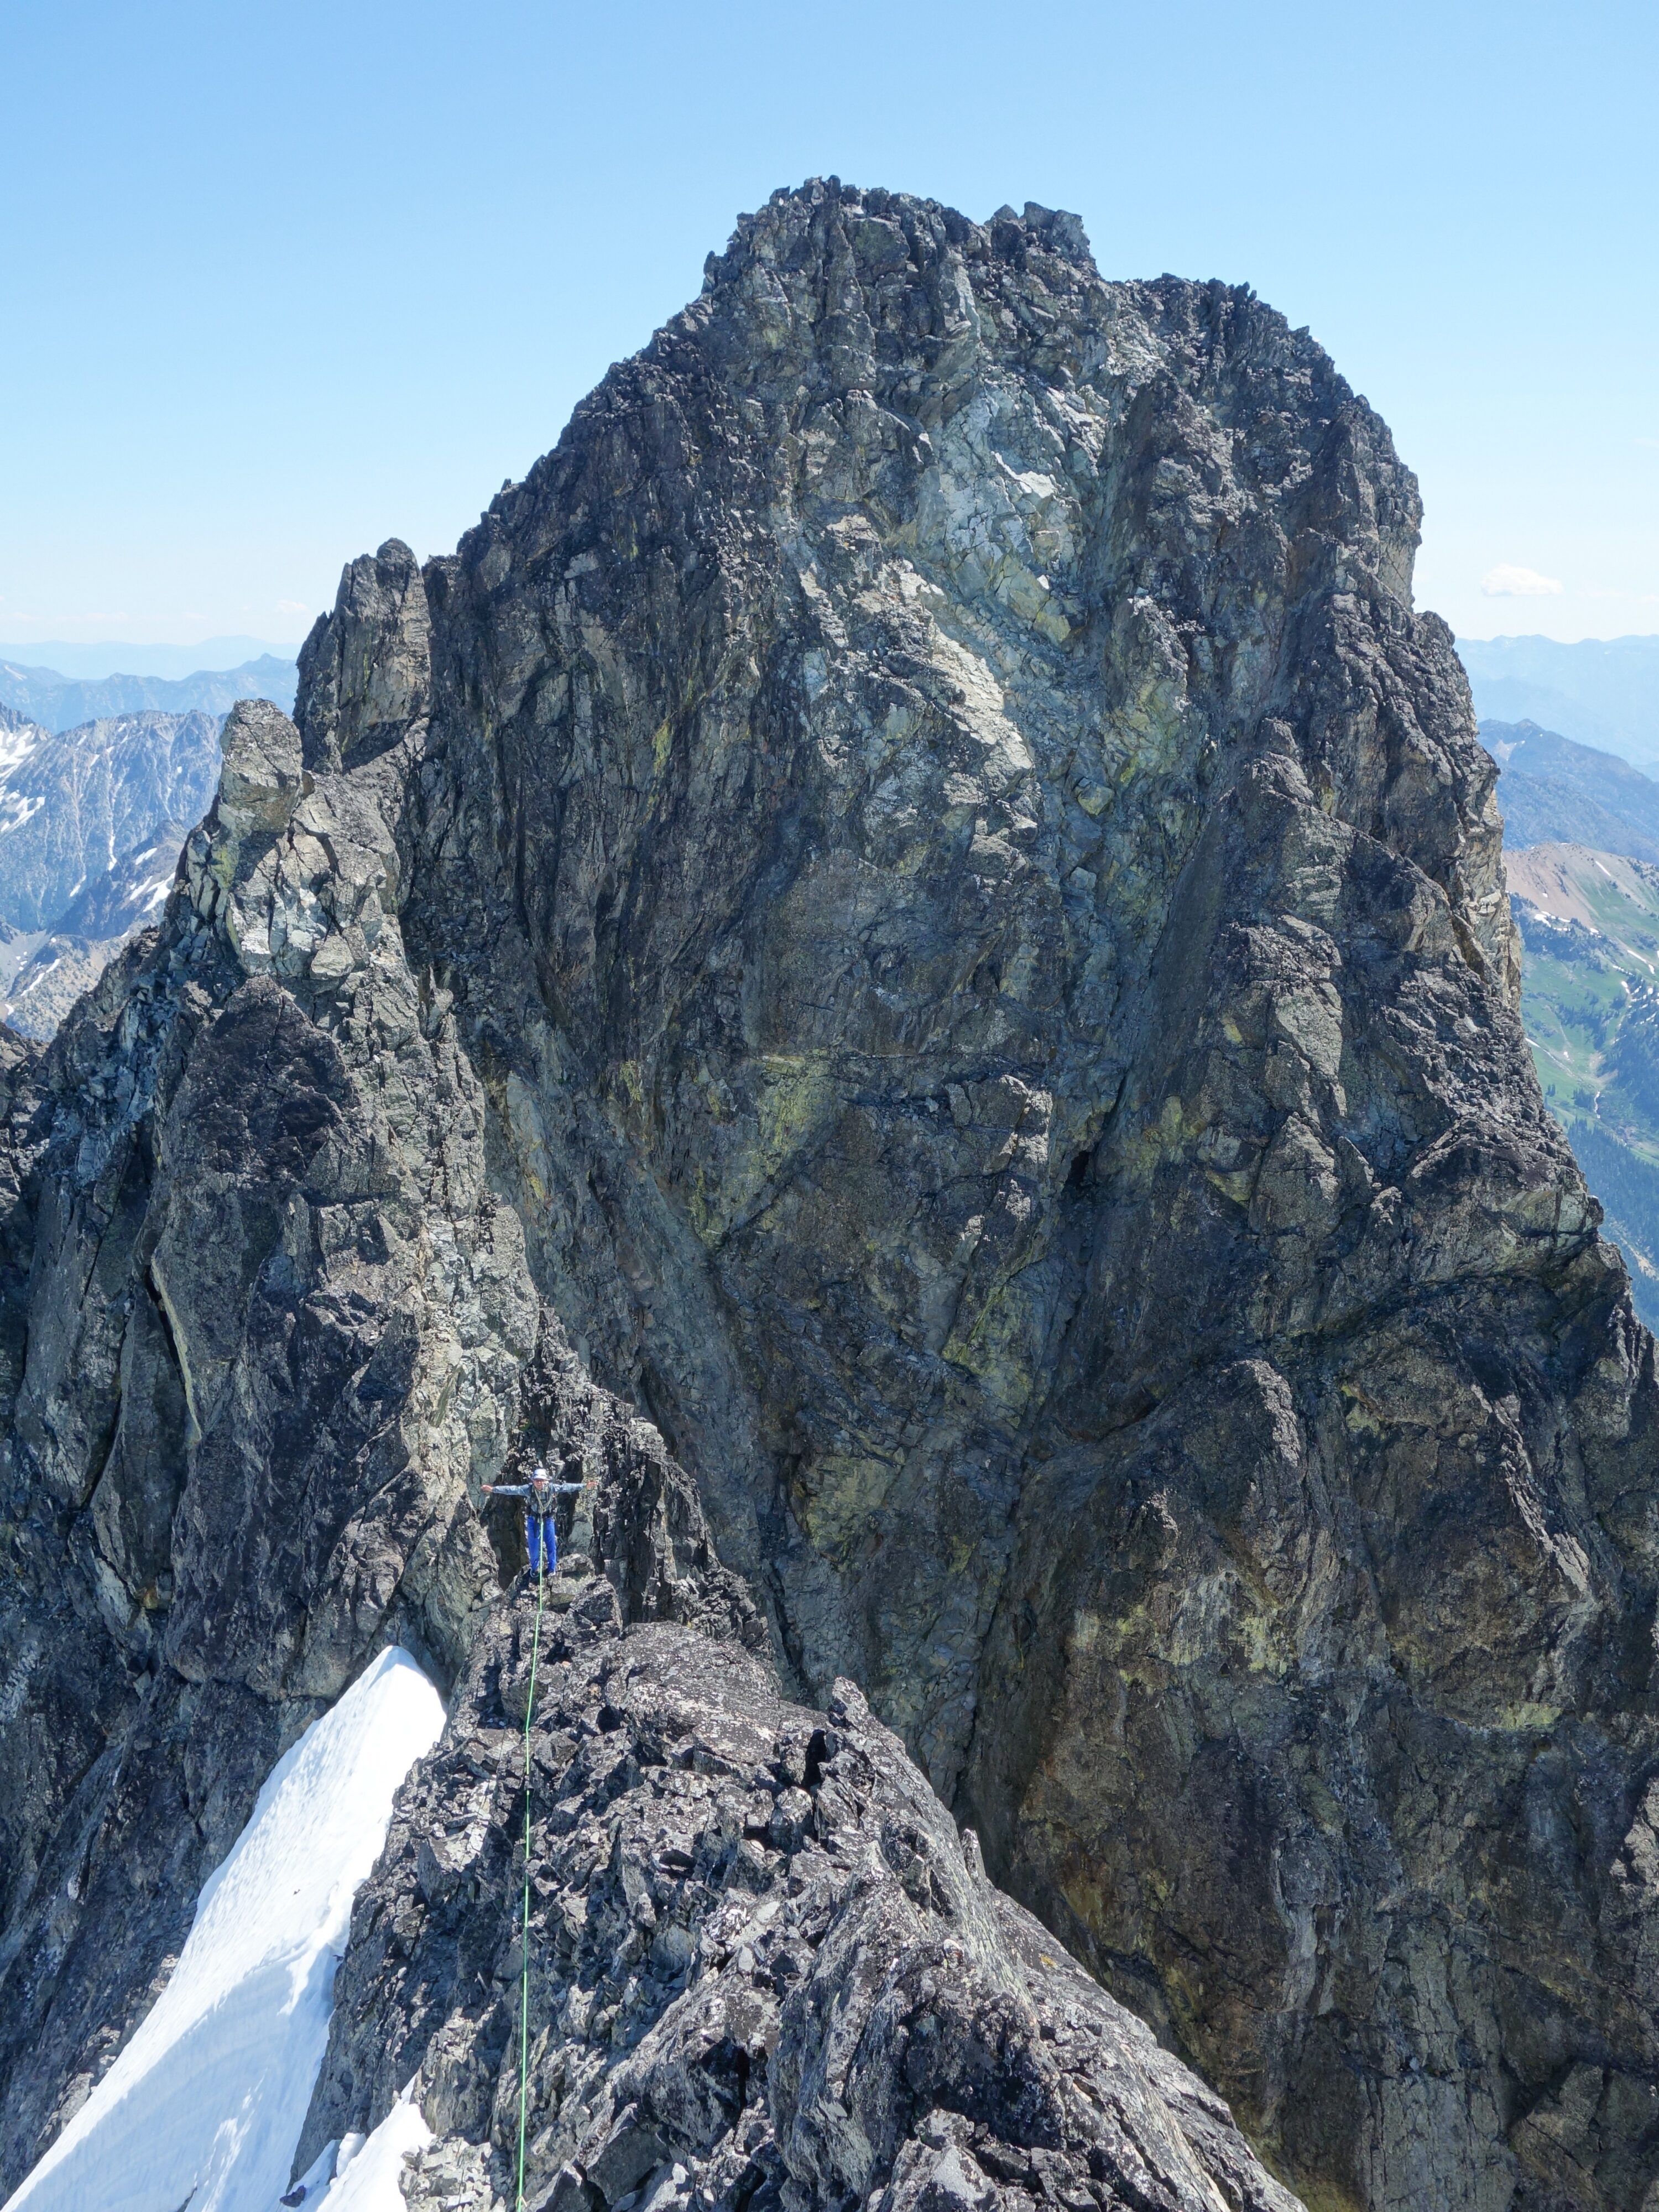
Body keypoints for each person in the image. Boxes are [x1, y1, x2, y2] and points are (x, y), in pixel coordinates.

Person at [482, 1462, 588, 1576]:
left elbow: (566, 1487)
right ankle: (535, 1569)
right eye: (537, 1480)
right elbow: (512, 1490)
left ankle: (552, 1569)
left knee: (551, 1545)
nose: (539, 1483)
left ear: (546, 1481)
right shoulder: (529, 1489)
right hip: (533, 1520)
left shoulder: (551, 1488)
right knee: (534, 1547)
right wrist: (493, 1489)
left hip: (548, 1519)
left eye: (541, 1480)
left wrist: (584, 1486)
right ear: (533, 1481)